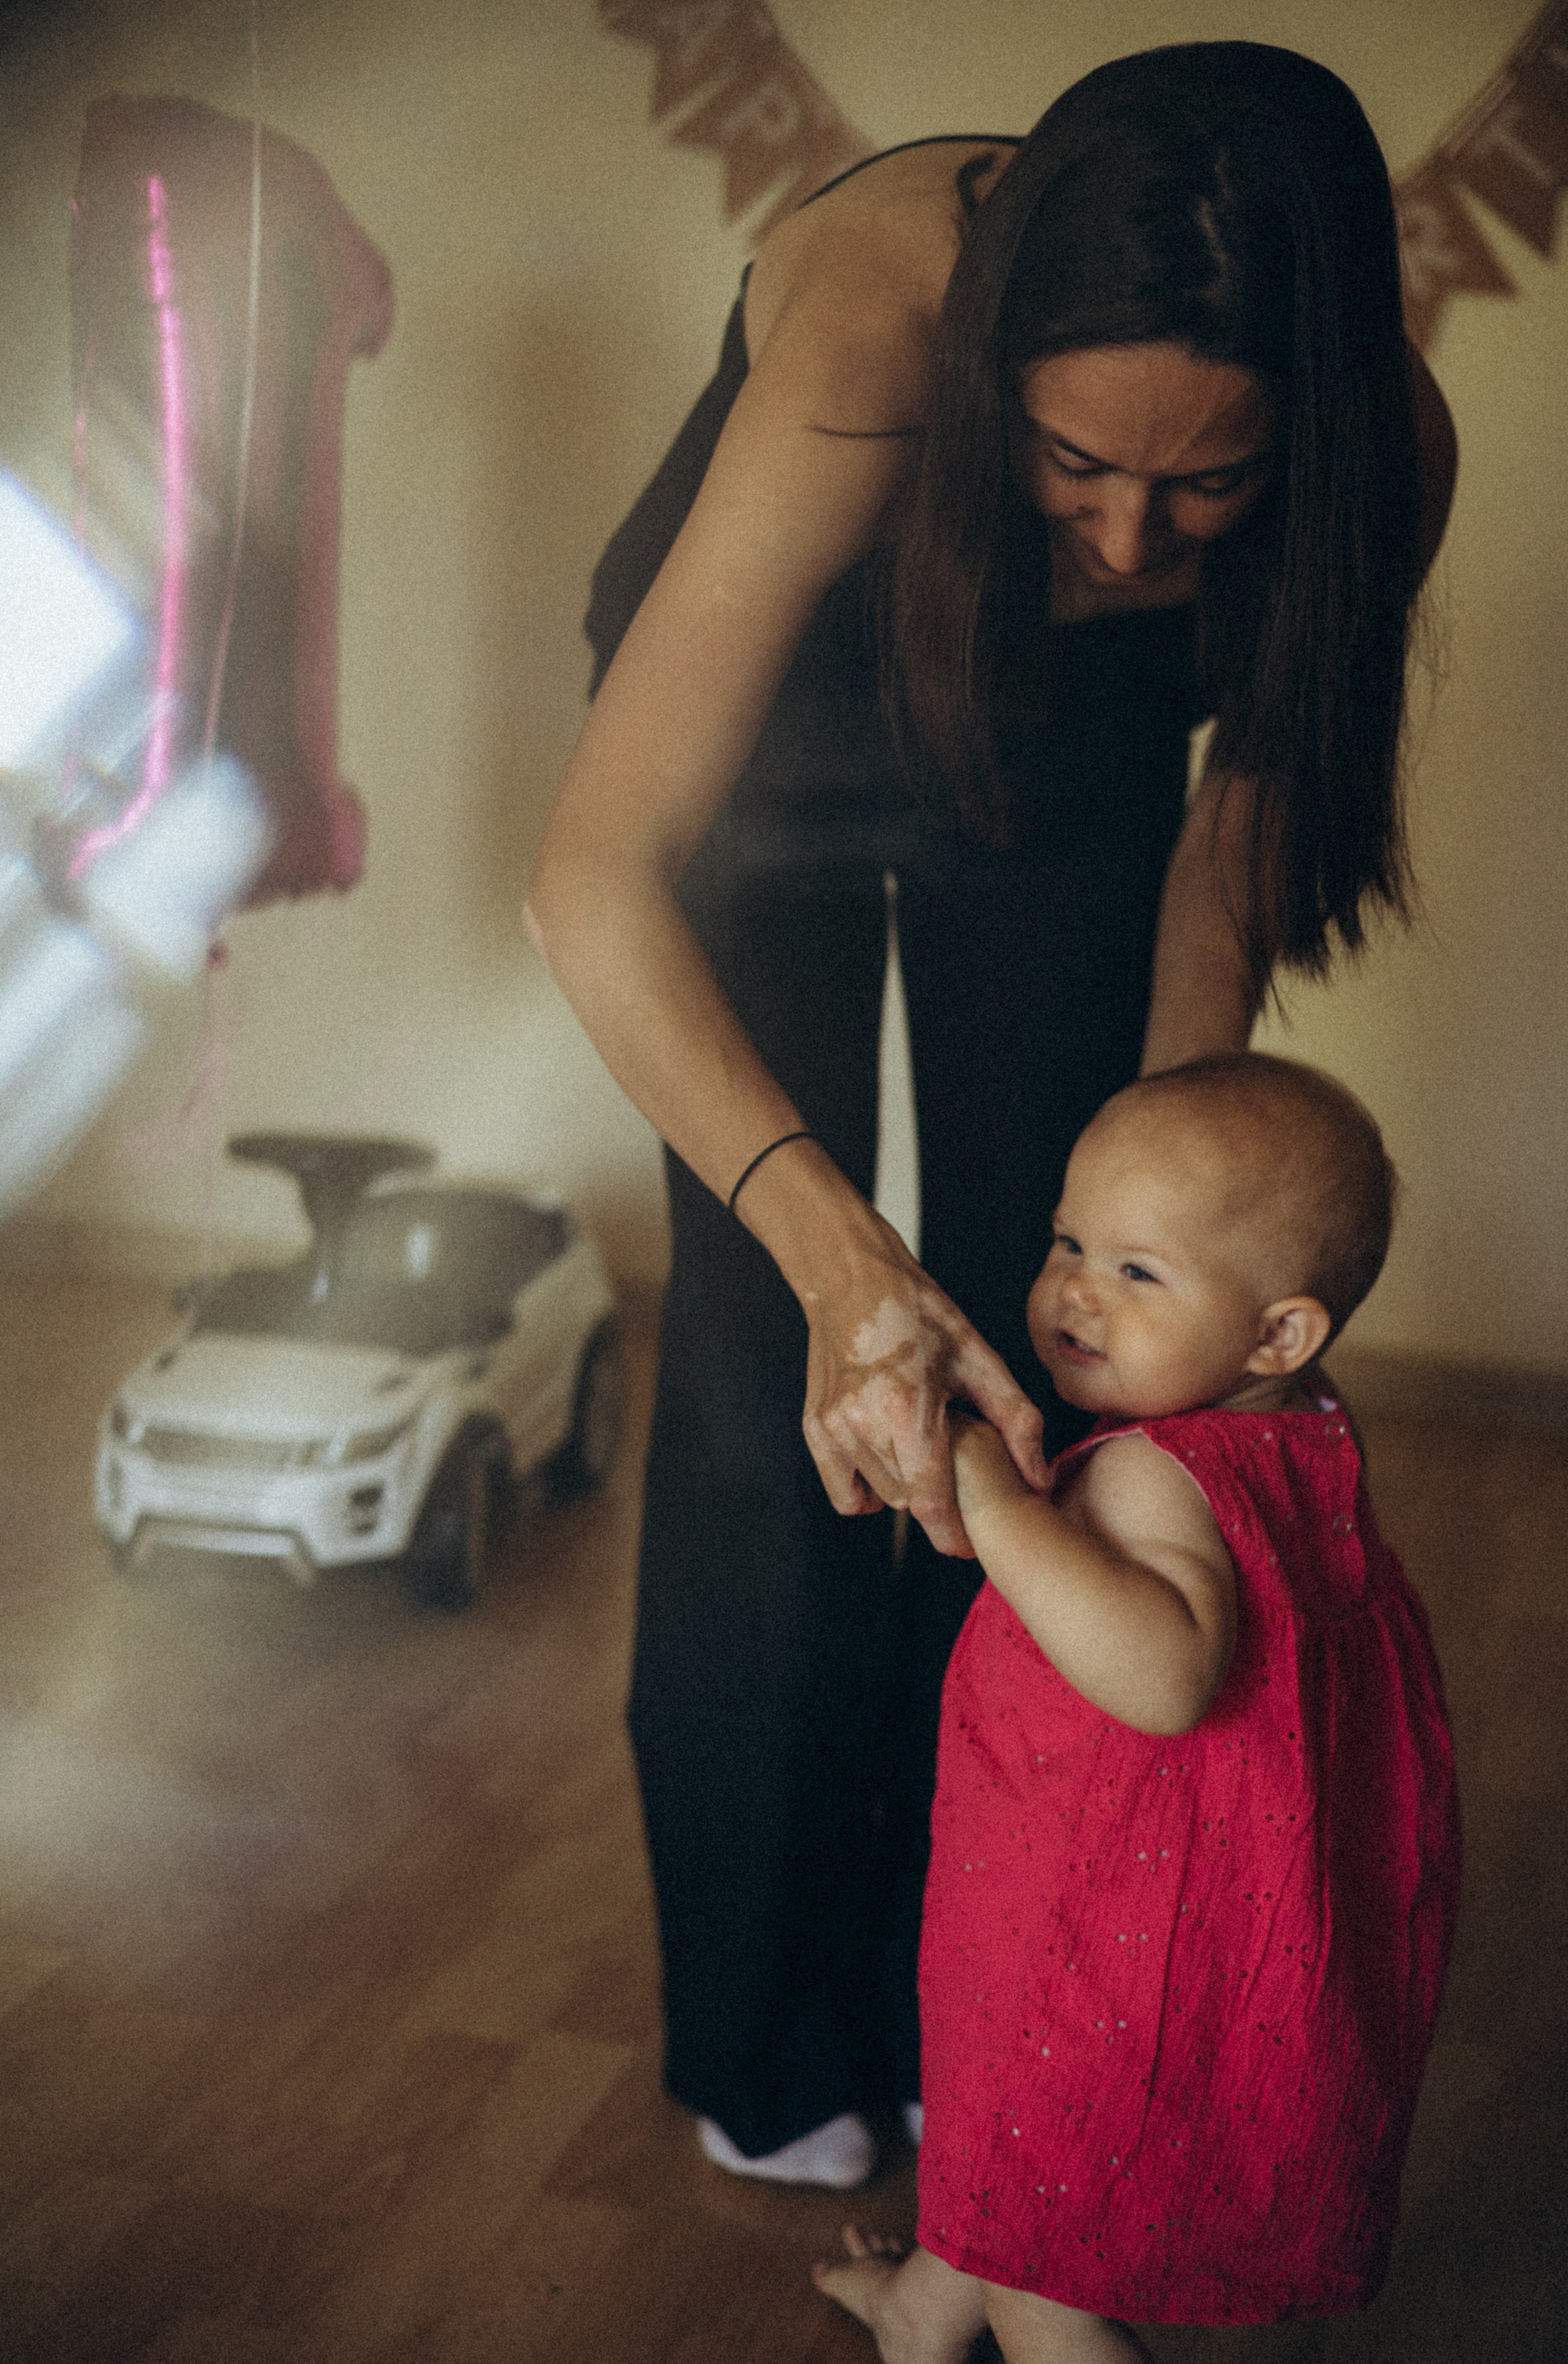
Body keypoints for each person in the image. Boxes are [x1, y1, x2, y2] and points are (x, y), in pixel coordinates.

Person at [524, 41, 1457, 2185]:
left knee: (1071, 1345)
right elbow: (593, 874)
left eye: (1207, 488)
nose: (1133, 536)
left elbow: (1234, 849)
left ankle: (993, 1976)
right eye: (1077, 460)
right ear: (994, 372)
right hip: (760, 734)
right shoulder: (874, 324)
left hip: (1066, 750)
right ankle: (776, 2052)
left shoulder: (1384, 445)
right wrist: (845, 1260)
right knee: (799, 1357)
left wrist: (1158, 1224)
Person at [814, 1053, 1460, 2362]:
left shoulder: (1158, 1472)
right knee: (1006, 2127)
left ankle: (992, 2315)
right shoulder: (1302, 1424)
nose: (1071, 1293)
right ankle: (916, 2317)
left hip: (1107, 1909)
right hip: (1216, 1880)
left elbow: (1162, 1678)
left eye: (1136, 1272)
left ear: (1279, 1333)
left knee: (1042, 2248)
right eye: (1067, 1241)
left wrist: (987, 1492)